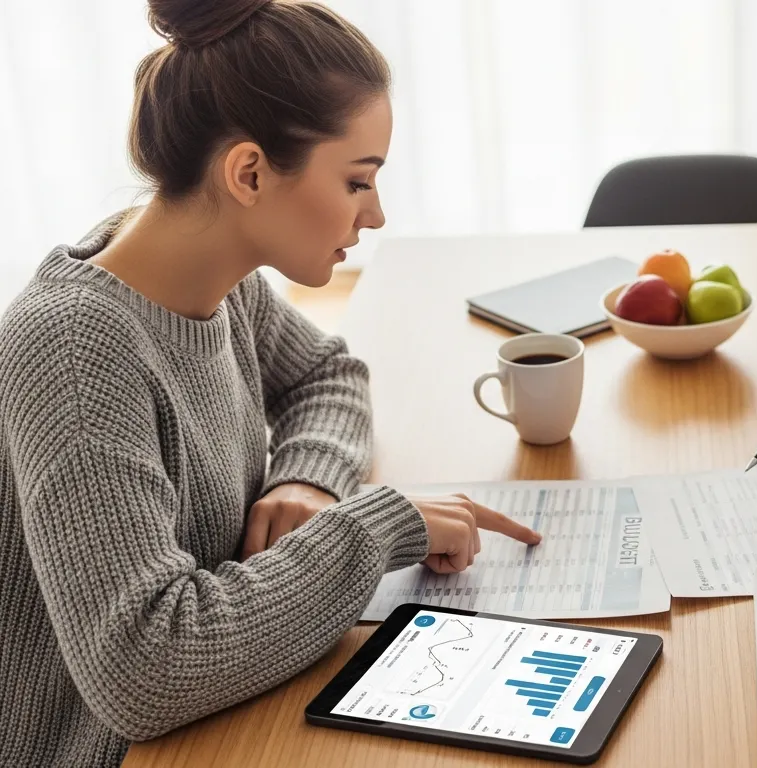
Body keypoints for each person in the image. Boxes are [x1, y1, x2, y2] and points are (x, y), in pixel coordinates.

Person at [0, 1, 541, 765]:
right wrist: (374, 528)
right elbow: (145, 667)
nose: (377, 214)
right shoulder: (74, 349)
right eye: (358, 182)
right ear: (249, 172)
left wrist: (310, 483)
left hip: (227, 711)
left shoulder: (222, 283)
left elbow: (328, 375)